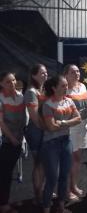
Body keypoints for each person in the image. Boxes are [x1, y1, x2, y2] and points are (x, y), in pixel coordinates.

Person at [41, 75, 81, 213]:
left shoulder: (69, 101)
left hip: (66, 141)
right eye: (63, 86)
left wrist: (62, 123)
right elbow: (51, 127)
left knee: (64, 176)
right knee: (52, 178)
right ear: (54, 88)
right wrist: (68, 122)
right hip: (51, 144)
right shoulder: (47, 105)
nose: (66, 88)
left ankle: (61, 207)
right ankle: (46, 208)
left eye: (66, 85)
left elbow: (79, 119)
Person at [0, 72, 27, 213]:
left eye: (14, 80)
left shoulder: (21, 97)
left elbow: (23, 119)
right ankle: (4, 205)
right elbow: (1, 123)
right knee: (4, 174)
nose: (12, 84)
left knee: (8, 171)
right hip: (6, 141)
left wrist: (20, 138)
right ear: (1, 84)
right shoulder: (0, 98)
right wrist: (11, 138)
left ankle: (6, 201)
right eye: (8, 82)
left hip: (17, 140)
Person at [64, 64, 87, 201]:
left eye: (78, 71)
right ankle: (66, 190)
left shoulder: (83, 86)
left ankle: (74, 186)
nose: (76, 74)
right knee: (69, 160)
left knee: (78, 159)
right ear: (66, 75)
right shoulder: (63, 88)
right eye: (73, 72)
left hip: (83, 127)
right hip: (70, 129)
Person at [24, 64, 48, 205]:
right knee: (39, 164)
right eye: (42, 73)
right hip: (36, 132)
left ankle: (44, 190)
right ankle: (37, 196)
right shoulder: (31, 92)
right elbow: (34, 117)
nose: (45, 75)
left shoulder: (44, 90)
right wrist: (48, 128)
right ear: (33, 75)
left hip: (45, 131)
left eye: (46, 73)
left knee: (44, 164)